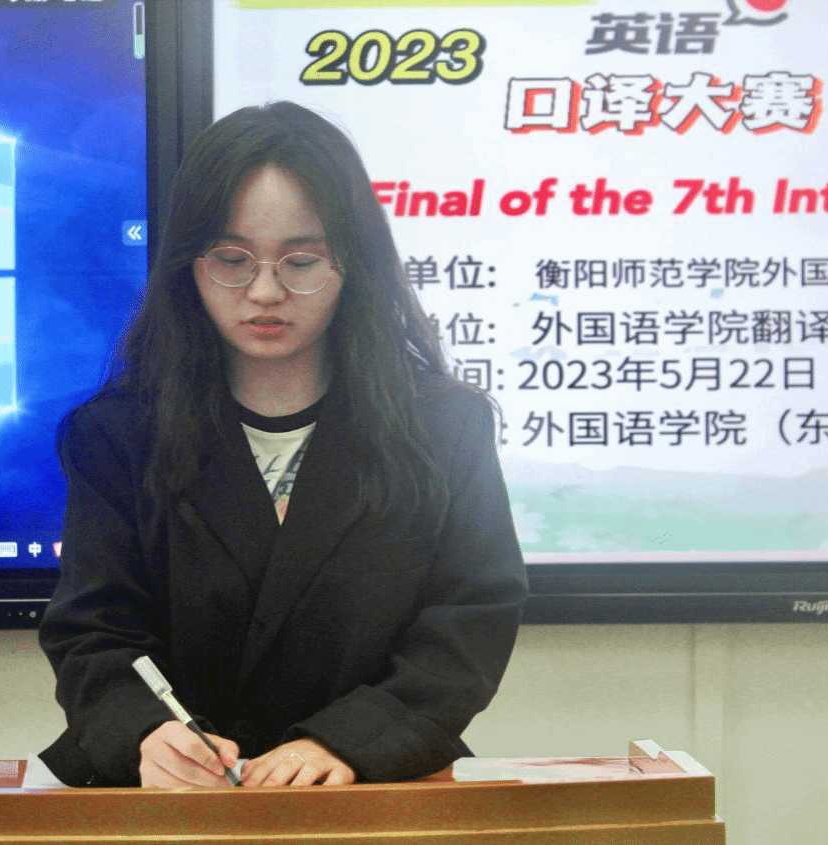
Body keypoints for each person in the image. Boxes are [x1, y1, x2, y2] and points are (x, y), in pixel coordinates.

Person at [38, 101, 527, 788]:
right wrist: (147, 735)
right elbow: (93, 631)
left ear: (354, 262)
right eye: (231, 259)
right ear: (187, 264)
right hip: (185, 800)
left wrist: (347, 744)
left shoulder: (444, 426)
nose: (265, 291)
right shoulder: (117, 435)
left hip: (377, 788)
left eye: (302, 260)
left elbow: (471, 620)